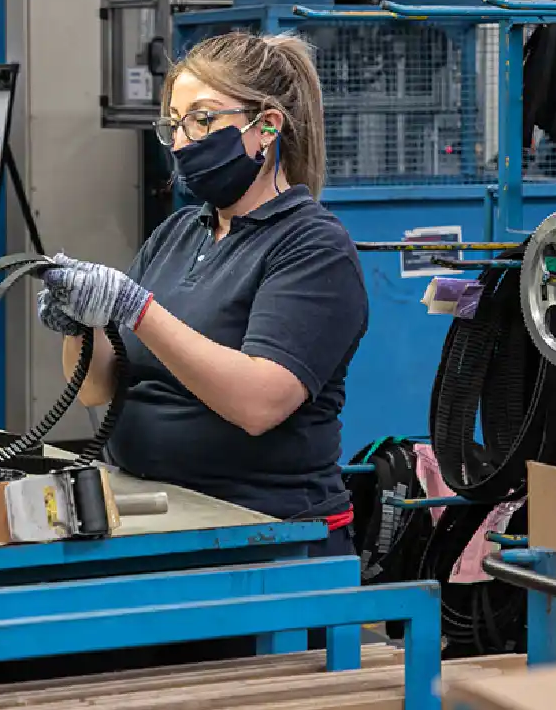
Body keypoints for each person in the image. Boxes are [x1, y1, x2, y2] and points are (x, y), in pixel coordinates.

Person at [37, 31, 369, 557]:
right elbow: (96, 389)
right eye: (174, 123)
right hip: (155, 509)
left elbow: (260, 403)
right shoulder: (179, 233)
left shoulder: (313, 246)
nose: (182, 141)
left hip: (267, 531)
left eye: (203, 119)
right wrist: (83, 321)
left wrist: (135, 308)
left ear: (265, 128)